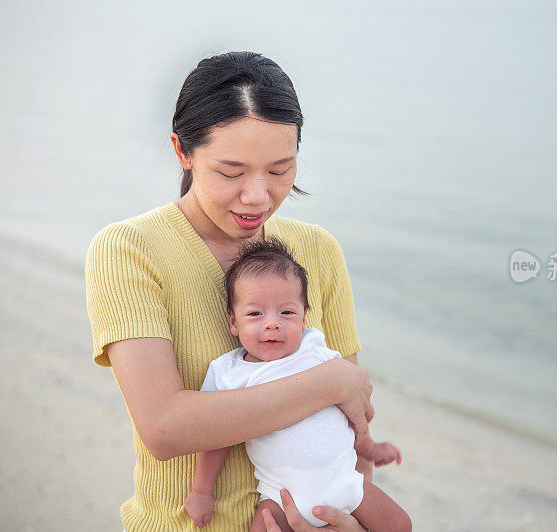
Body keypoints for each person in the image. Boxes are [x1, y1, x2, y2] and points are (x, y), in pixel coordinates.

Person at [85, 51, 379, 531]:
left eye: (281, 169)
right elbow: (164, 427)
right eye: (231, 172)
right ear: (183, 151)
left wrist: (349, 520)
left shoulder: (318, 251)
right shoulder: (130, 250)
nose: (258, 195)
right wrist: (329, 381)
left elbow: (351, 421)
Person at [184, 239, 409, 531]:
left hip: (346, 484)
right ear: (233, 322)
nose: (272, 323)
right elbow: (216, 438)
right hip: (280, 496)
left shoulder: (315, 350)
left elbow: (351, 407)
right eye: (255, 314)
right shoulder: (229, 372)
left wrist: (370, 448)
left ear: (304, 318)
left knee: (401, 525)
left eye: (287, 312)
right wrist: (201, 492)